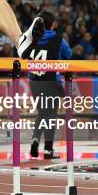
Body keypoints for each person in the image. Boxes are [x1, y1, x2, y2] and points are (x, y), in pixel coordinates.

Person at [28, 11, 72, 160]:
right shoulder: (59, 40)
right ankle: (48, 149)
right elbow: (68, 55)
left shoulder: (30, 38)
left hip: (34, 81)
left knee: (42, 113)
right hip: (51, 81)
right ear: (53, 24)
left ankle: (35, 139)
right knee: (50, 115)